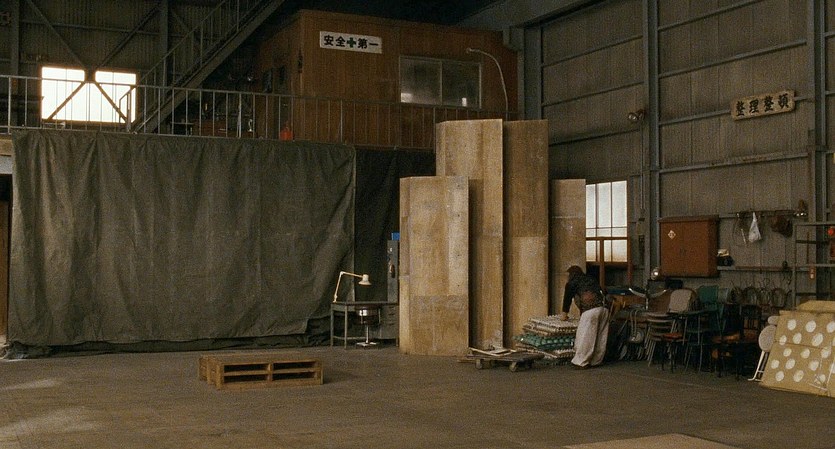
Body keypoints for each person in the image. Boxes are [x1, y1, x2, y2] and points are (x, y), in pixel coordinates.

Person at [558, 265, 610, 369]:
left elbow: (567, 300)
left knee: (585, 336)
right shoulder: (590, 279)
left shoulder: (572, 283)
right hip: (604, 309)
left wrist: (564, 314)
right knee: (600, 337)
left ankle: (581, 362)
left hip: (590, 310)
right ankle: (596, 361)